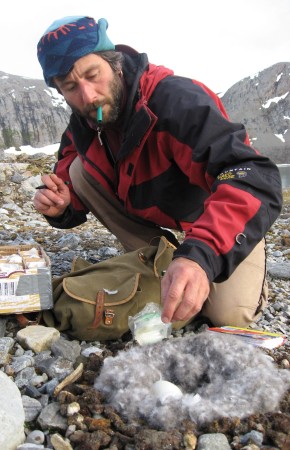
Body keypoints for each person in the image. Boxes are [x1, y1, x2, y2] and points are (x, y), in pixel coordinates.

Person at [34, 15, 282, 329]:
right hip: (152, 215)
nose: (88, 96)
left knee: (226, 315)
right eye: (70, 87)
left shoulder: (176, 101)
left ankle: (214, 263)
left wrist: (200, 253)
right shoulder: (83, 124)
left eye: (93, 75)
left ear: (115, 63)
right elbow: (69, 185)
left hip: (215, 216)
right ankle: (163, 259)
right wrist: (62, 205)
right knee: (78, 170)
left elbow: (253, 175)